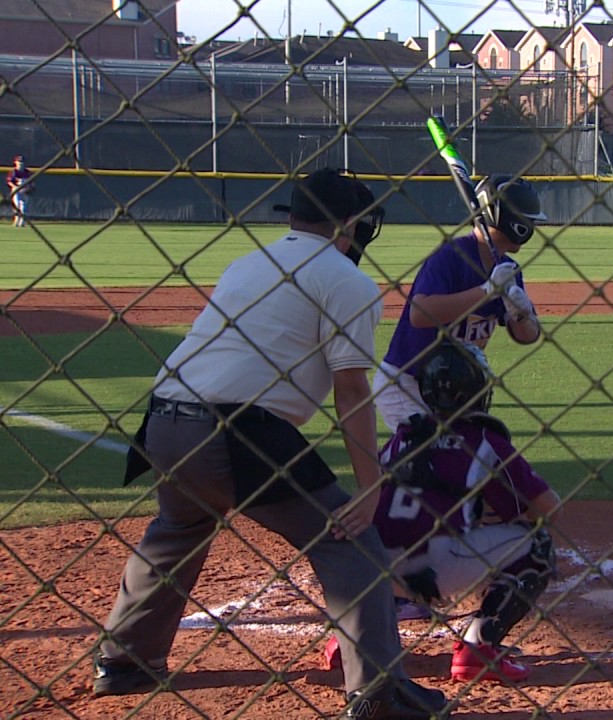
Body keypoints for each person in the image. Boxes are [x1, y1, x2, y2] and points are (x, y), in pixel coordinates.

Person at [100, 169, 448, 719]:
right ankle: (379, 693)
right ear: (351, 224)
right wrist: (369, 487)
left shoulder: (248, 263)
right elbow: (351, 389)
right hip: (236, 431)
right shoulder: (346, 280)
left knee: (179, 527)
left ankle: (124, 661)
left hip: (163, 423)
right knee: (350, 542)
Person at [327, 341, 562, 685]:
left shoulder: (403, 436)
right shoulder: (483, 440)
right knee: (537, 545)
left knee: (393, 531)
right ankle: (478, 648)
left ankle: (351, 638)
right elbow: (548, 509)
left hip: (372, 567)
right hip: (435, 567)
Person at [374, 175, 545, 434]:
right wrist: (487, 291)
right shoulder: (451, 256)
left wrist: (520, 312)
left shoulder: (508, 269)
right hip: (407, 383)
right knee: (433, 464)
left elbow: (527, 337)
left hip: (455, 391)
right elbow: (419, 314)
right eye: (528, 220)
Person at [7, 155, 32, 227]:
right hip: (16, 191)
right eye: (19, 161)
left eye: (22, 162)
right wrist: (16, 187)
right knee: (17, 206)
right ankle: (16, 220)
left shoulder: (27, 172)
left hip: (25, 191)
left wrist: (27, 189)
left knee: (23, 207)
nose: (21, 163)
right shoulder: (13, 172)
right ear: (15, 162)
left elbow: (31, 183)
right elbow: (9, 182)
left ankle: (22, 221)